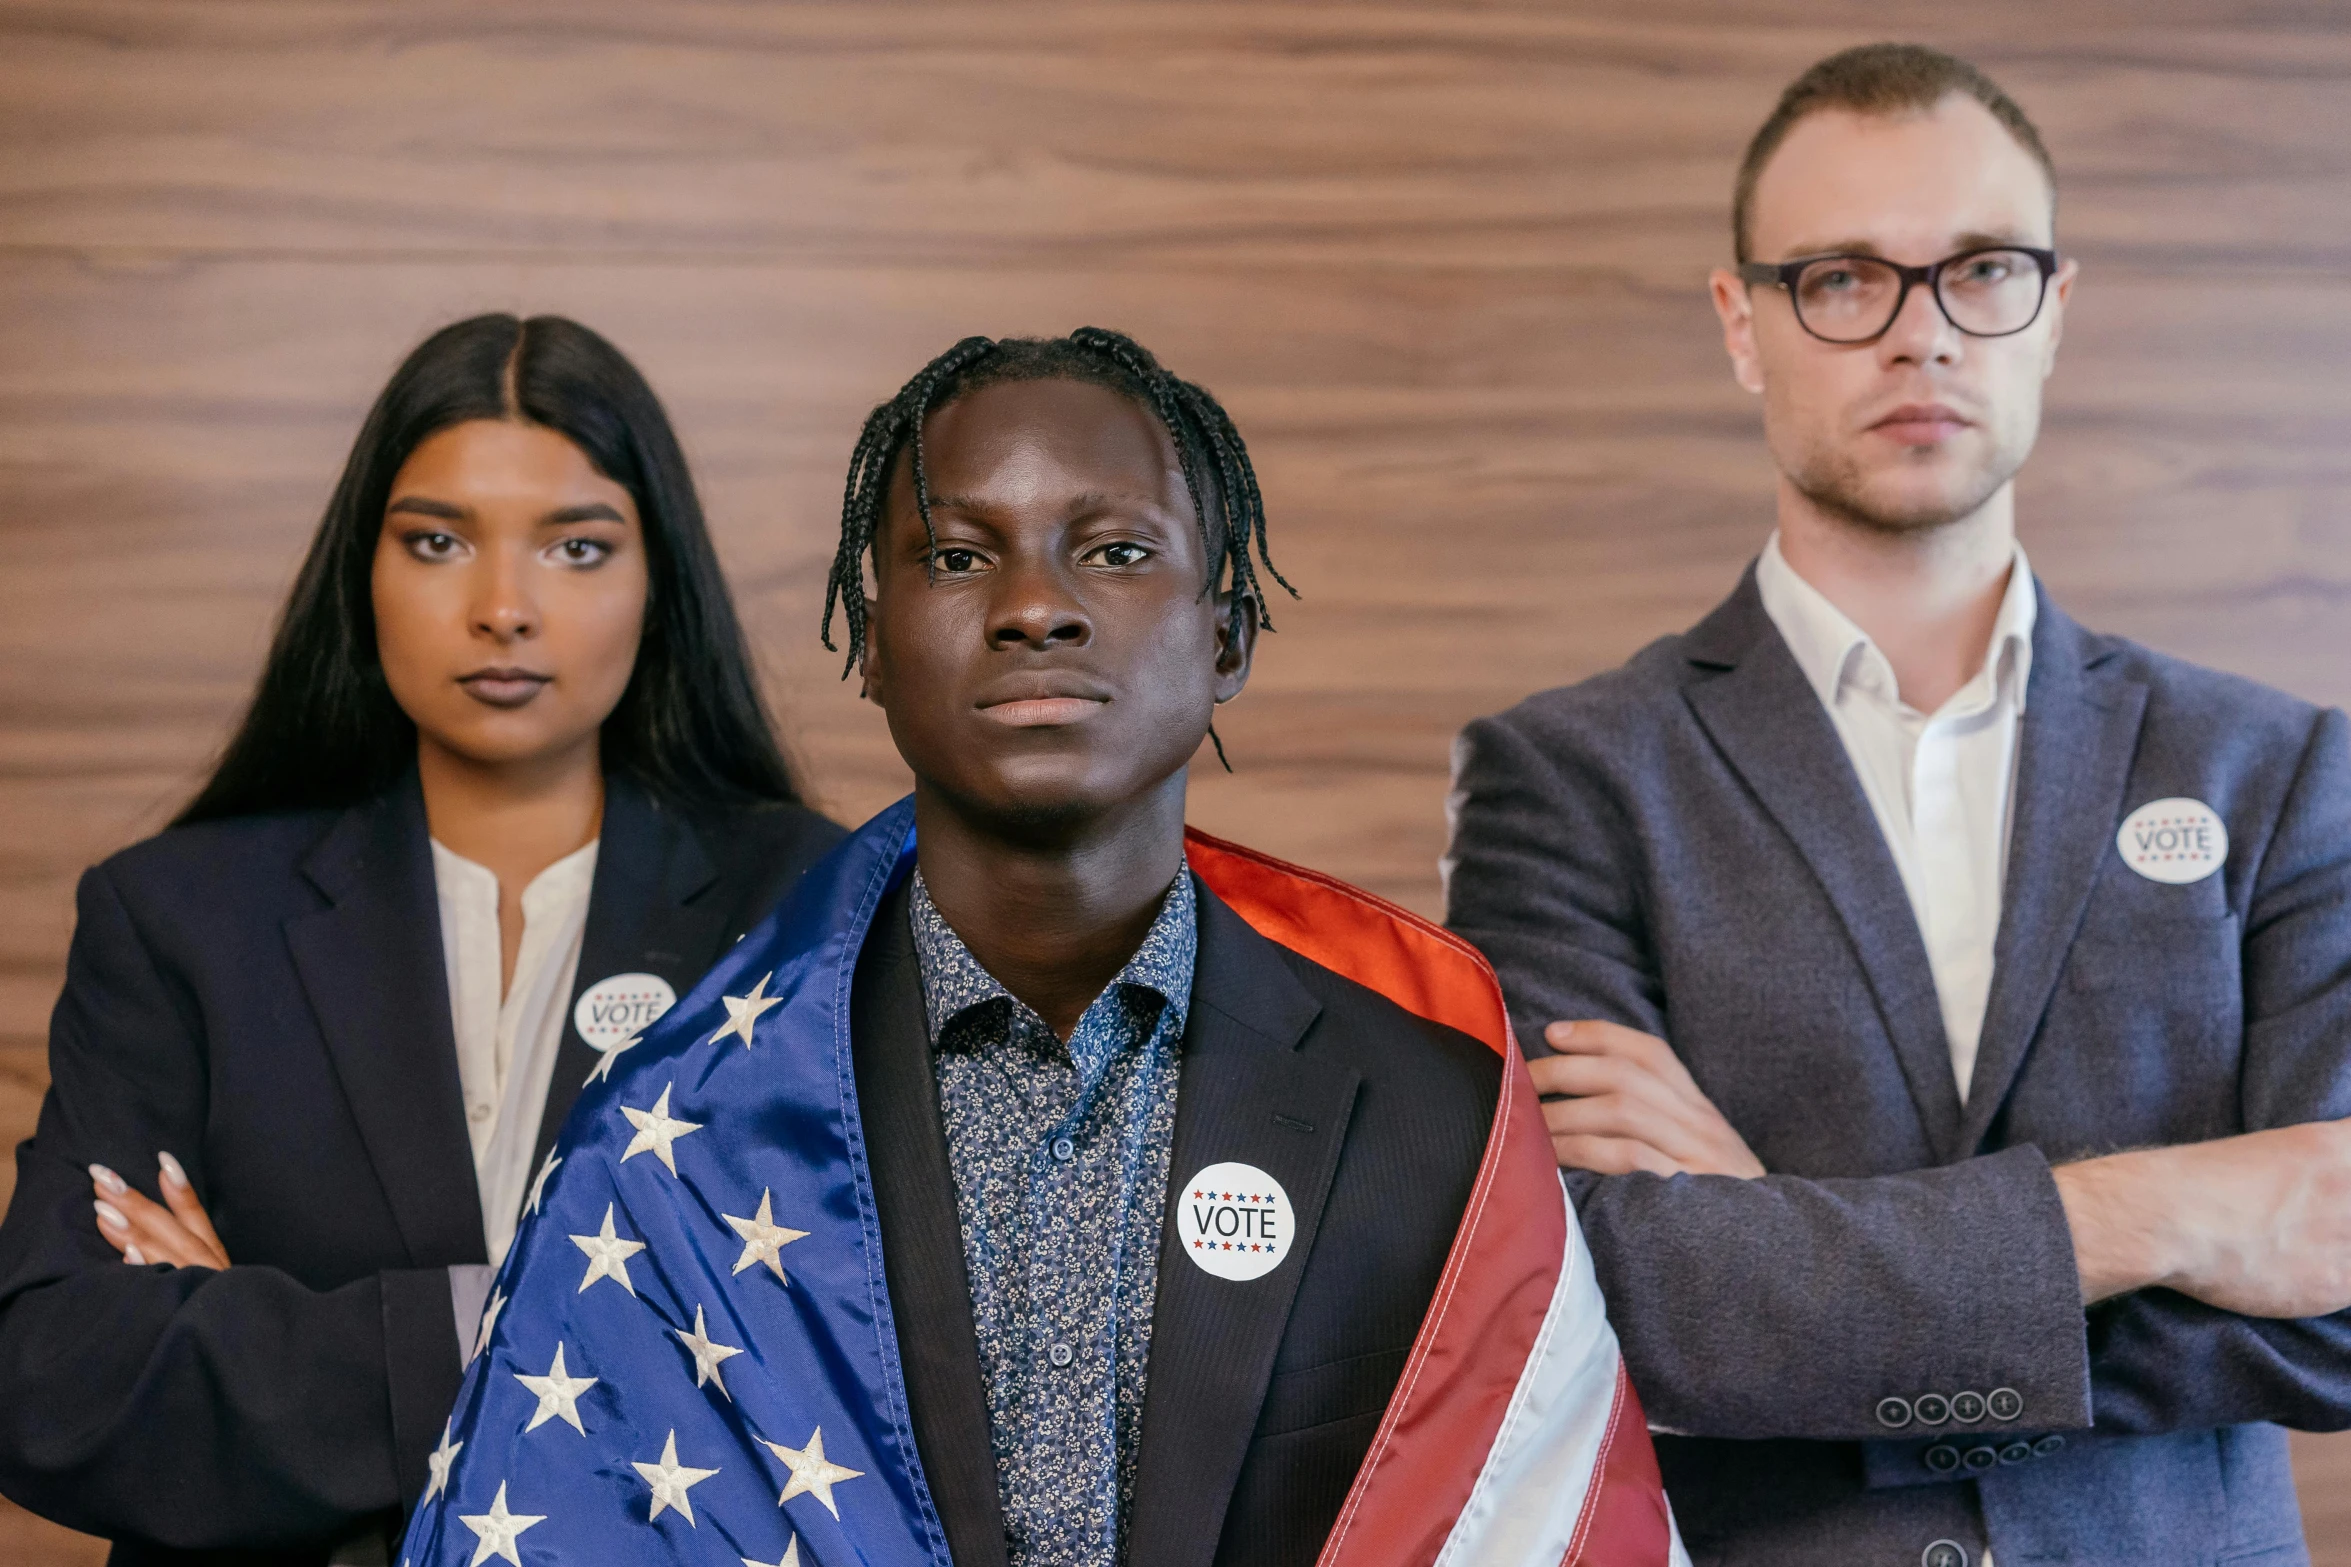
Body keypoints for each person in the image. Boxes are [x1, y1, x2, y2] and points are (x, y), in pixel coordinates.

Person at [396, 329, 1682, 1567]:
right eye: (957, 559)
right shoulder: (687, 1125)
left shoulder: (1425, 1100)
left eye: (1114, 551)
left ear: (1225, 635)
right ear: (871, 644)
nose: (1031, 608)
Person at [1444, 42, 2351, 1567]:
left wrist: (1777, 1226)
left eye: (1978, 270)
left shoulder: (2275, 767)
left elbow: (2330, 1312)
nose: (1918, 335)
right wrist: (2170, 1210)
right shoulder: (1568, 780)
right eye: (1841, 278)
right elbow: (1627, 1301)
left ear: (2052, 312)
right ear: (1741, 323)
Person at [0, 313, 843, 1564]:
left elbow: (841, 1372)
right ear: (365, 570)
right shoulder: (179, 916)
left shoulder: (808, 905)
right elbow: (55, 1378)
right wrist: (575, 1322)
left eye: (576, 546)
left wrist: (263, 1325)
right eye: (439, 542)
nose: (502, 607)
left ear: (658, 583)